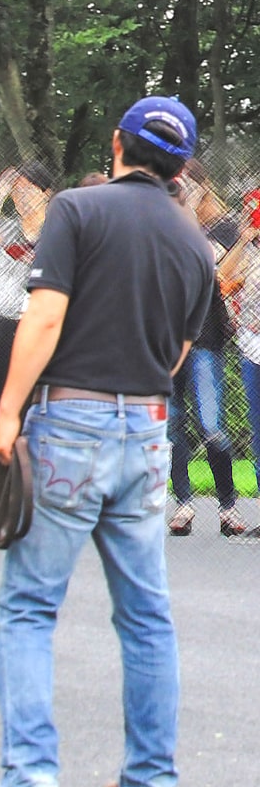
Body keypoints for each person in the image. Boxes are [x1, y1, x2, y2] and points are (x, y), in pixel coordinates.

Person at [0, 96, 213, 787]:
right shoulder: (196, 245)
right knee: (146, 614)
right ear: (179, 165)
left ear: (117, 145)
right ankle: (149, 778)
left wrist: (8, 412)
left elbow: (43, 316)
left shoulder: (77, 210)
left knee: (30, 604)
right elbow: (176, 354)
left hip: (70, 421)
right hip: (147, 429)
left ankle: (29, 776)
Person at [166, 158, 246, 536]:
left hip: (205, 337)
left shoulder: (225, 227)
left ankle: (228, 509)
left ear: (203, 184)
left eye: (187, 184)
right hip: (167, 337)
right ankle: (183, 505)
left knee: (212, 425)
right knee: (170, 423)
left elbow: (223, 275)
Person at [0, 161, 56, 497]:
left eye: (28, 189)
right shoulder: (7, 228)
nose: (22, 196)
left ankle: (35, 477)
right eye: (17, 190)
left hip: (36, 326)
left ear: (46, 193)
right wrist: (0, 196)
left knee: (34, 403)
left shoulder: (56, 230)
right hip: (1, 323)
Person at [217, 190, 260, 536]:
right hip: (252, 350)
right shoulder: (248, 254)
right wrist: (244, 239)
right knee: (258, 431)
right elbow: (221, 277)